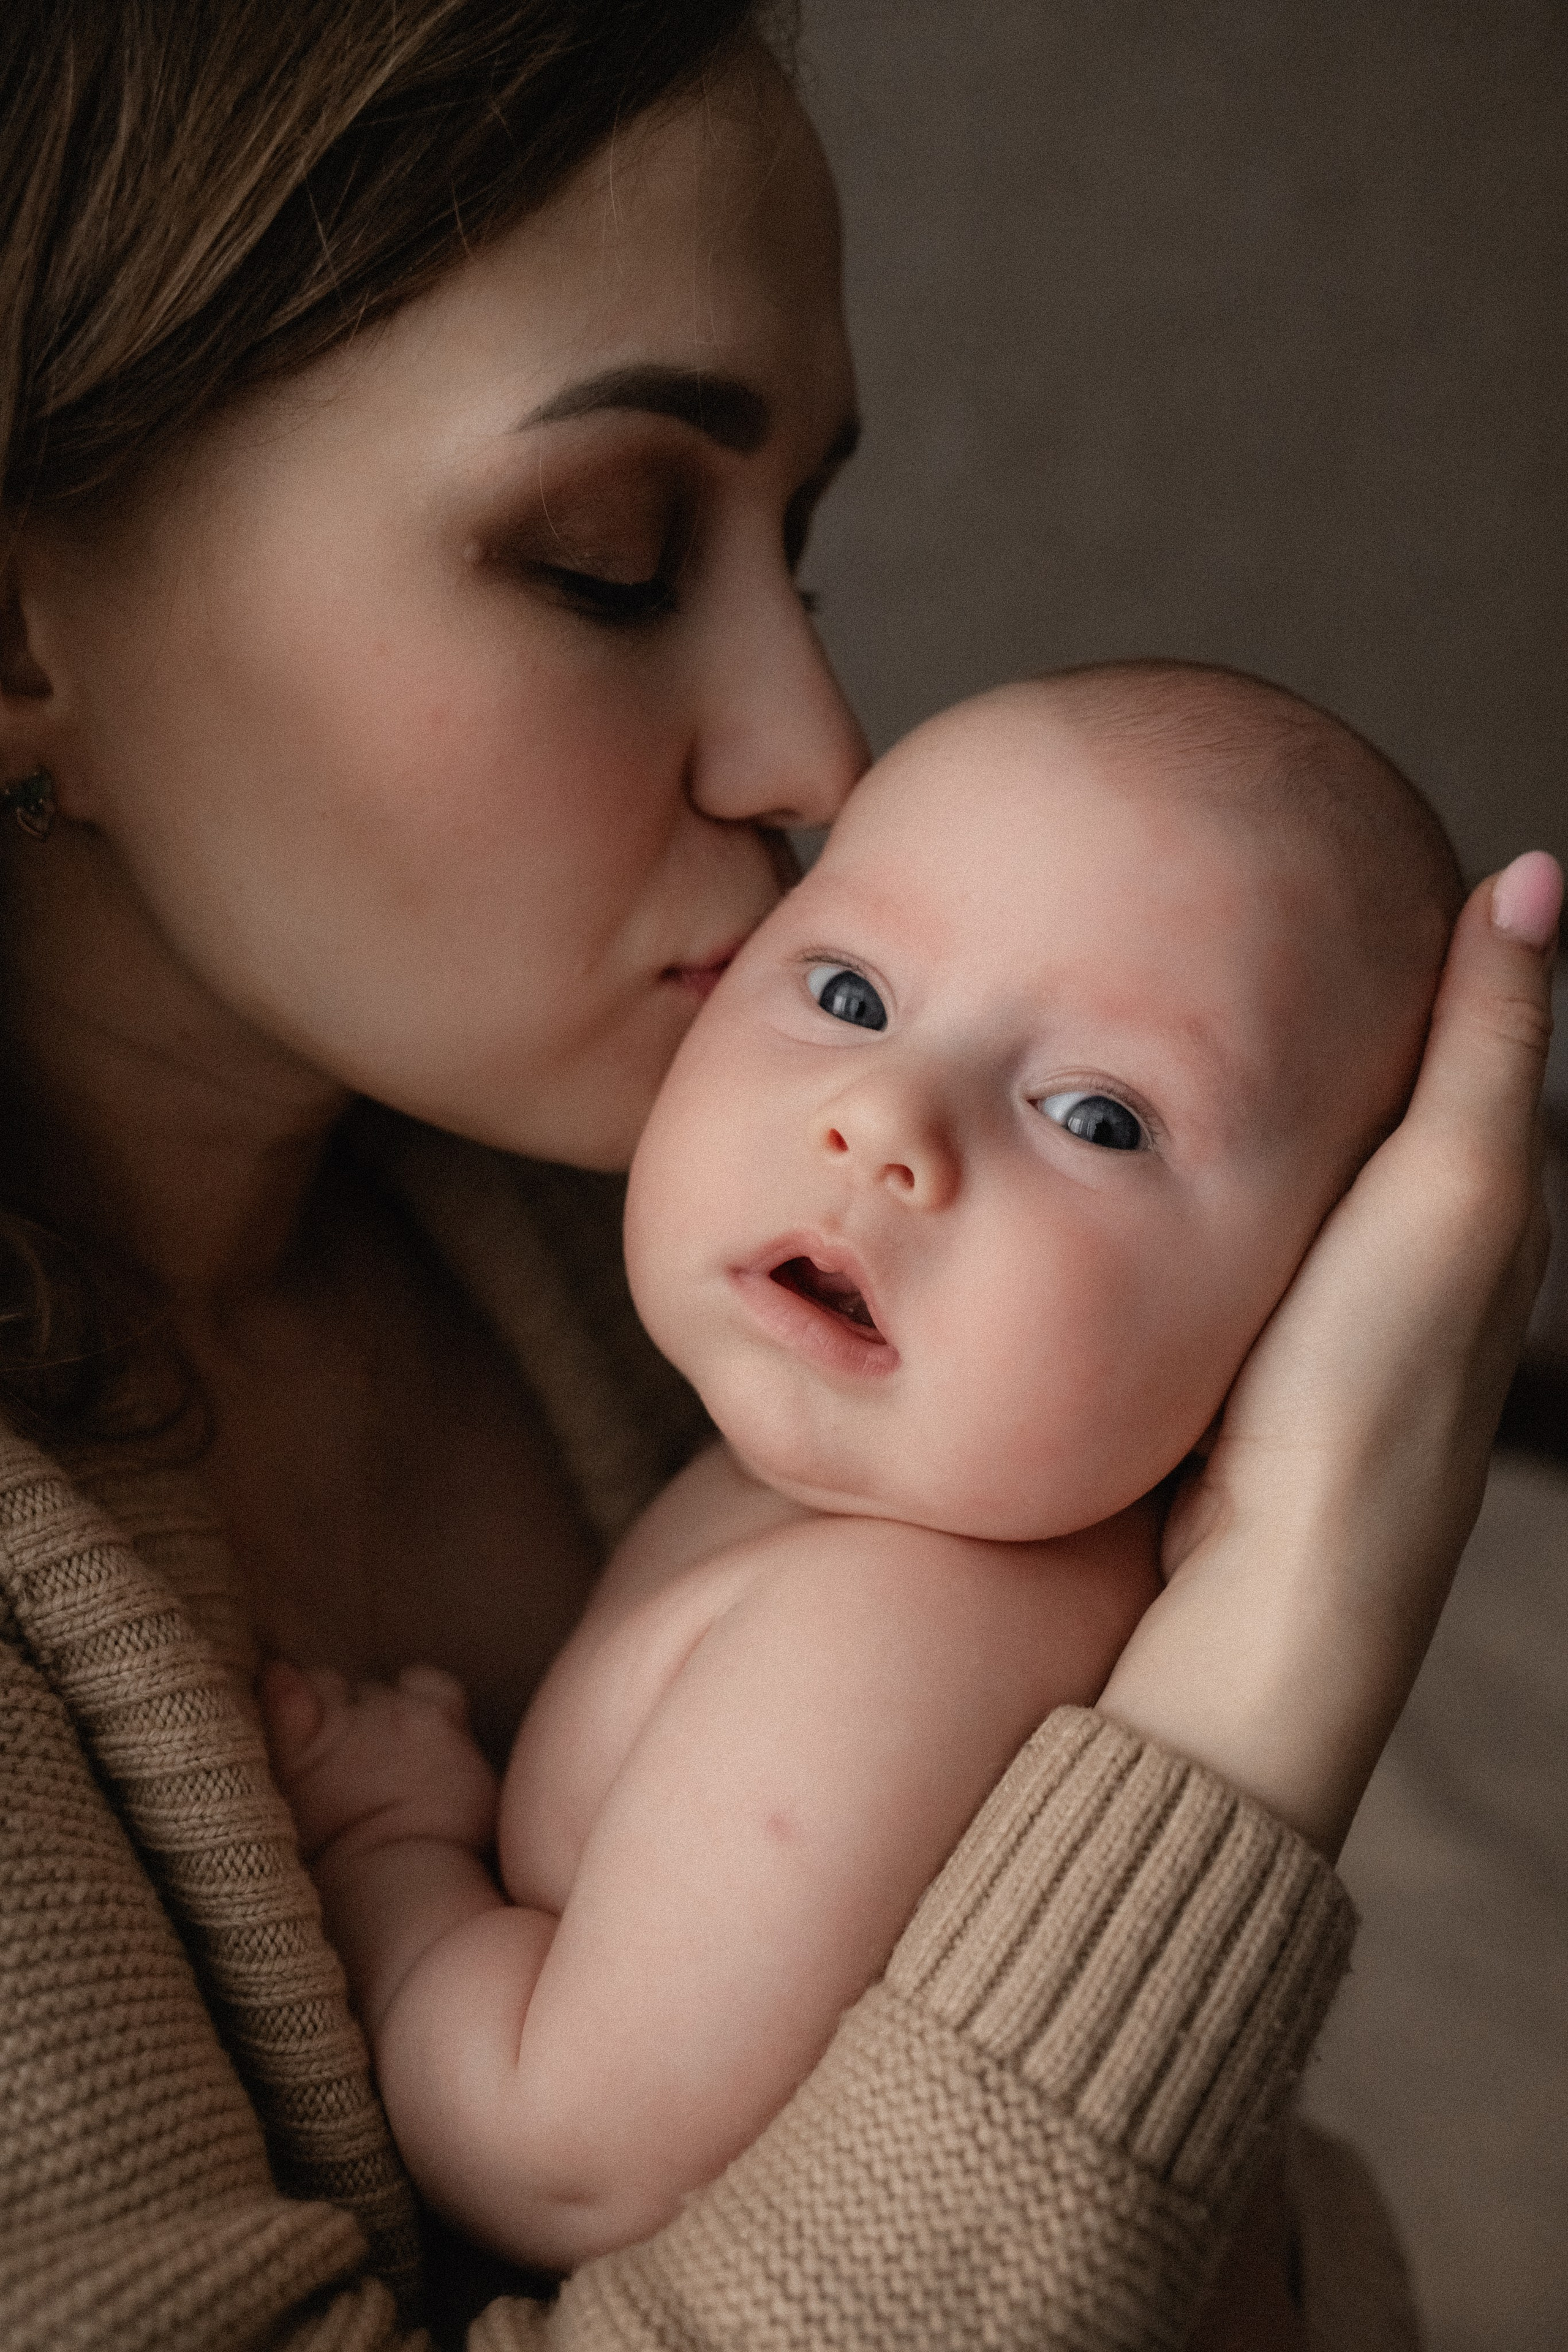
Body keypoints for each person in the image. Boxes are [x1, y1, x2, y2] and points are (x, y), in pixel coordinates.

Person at [0, 5, 1557, 2348]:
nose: (823, 751)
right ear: (25, 636)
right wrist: (1272, 1671)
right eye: (615, 557)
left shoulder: (651, 1226)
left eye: (801, 558)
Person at [262, 662, 1465, 2283]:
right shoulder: (868, 1503)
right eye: (845, 995)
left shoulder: (903, 1628)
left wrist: (391, 1859)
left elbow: (563, 2167)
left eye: (1098, 1116)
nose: (885, 1118)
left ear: (1309, 1312)